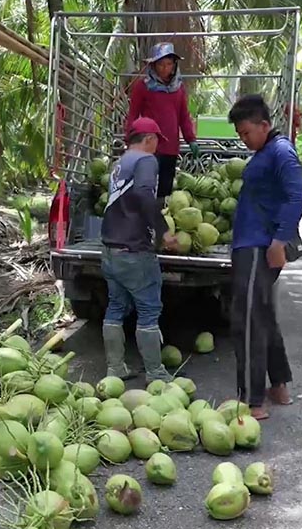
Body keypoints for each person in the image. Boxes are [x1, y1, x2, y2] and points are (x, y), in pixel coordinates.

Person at [226, 94, 302, 420]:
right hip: (254, 244)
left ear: (264, 125)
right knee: (262, 316)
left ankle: (252, 400)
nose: (243, 139)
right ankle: (279, 387)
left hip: (259, 246)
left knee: (246, 322)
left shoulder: (279, 151)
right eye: (240, 135)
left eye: (246, 132)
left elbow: (297, 198)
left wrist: (278, 241)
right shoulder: (268, 150)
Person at [100, 117, 179, 384]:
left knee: (115, 307)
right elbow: (146, 195)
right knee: (148, 310)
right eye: (157, 141)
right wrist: (163, 229)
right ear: (148, 139)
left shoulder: (119, 163)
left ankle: (115, 369)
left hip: (110, 249)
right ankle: (155, 373)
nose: (157, 147)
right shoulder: (146, 161)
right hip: (135, 250)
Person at [124, 42, 199, 200]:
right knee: (146, 184)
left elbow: (183, 116)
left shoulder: (178, 88)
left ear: (174, 65)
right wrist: (129, 139)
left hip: (170, 147)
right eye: (161, 64)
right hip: (149, 145)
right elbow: (133, 114)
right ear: (153, 65)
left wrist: (191, 139)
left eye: (169, 64)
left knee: (165, 188)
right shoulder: (142, 87)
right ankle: (143, 218)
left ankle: (160, 218)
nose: (165, 68)